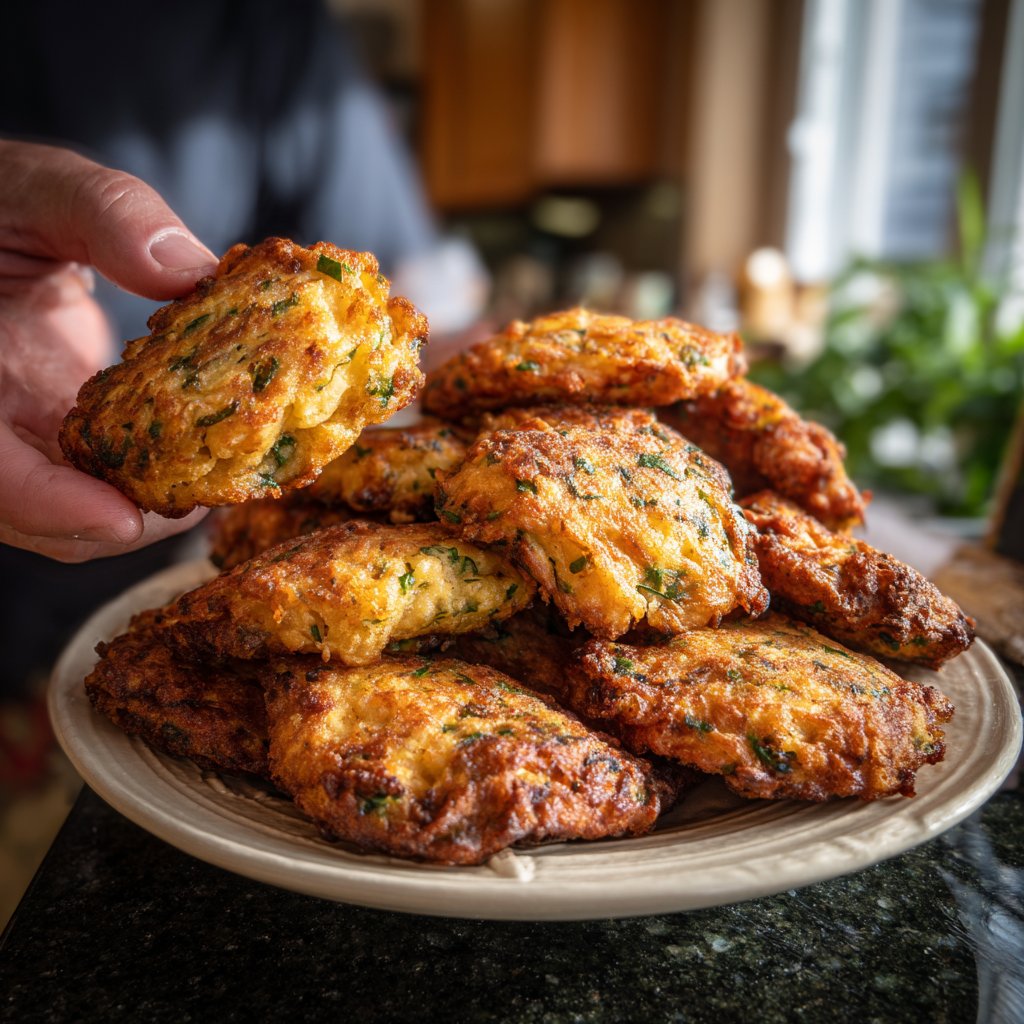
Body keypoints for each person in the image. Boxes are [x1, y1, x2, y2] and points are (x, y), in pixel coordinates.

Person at [0, 2, 487, 695]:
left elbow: (414, 287)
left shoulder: (271, 26)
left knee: (147, 674)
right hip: (96, 471)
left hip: (163, 557)